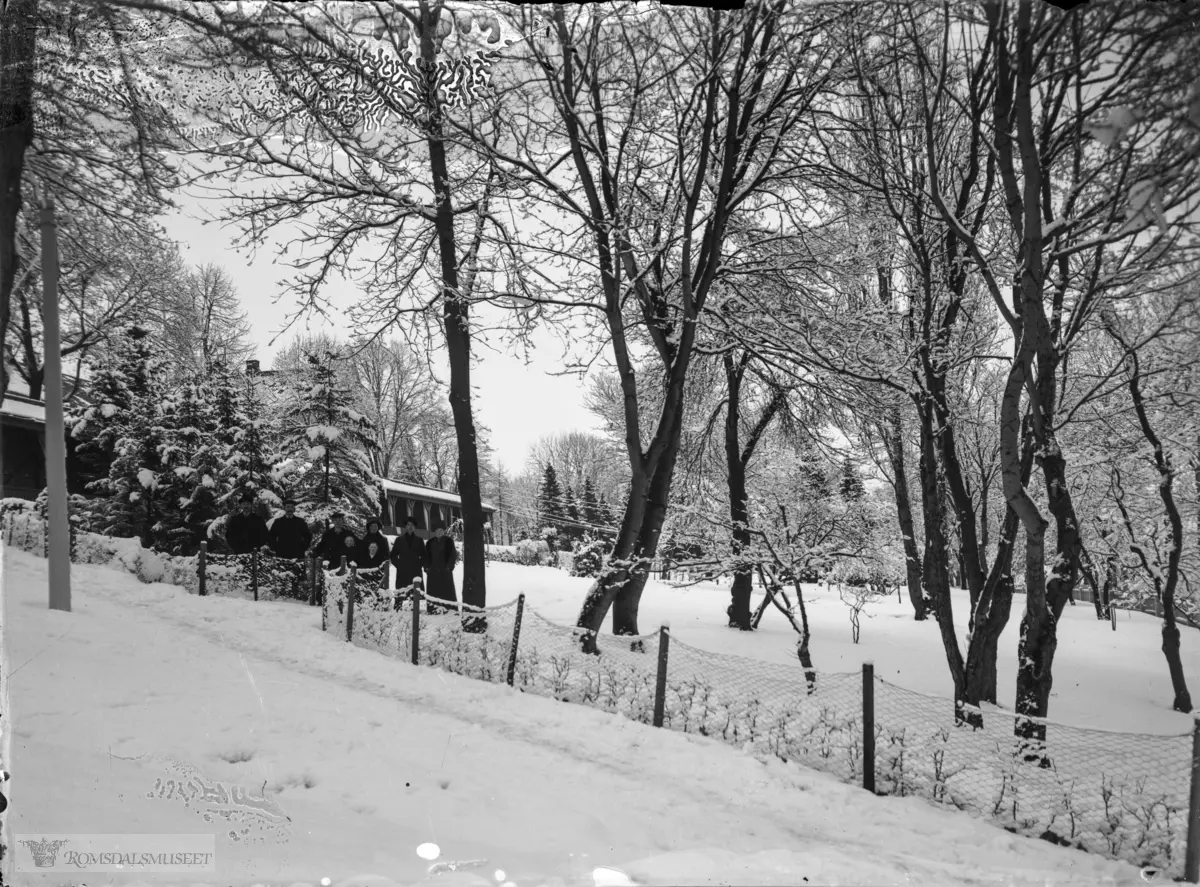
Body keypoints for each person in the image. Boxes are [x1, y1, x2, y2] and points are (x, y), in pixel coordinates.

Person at [422, 521, 459, 615]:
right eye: (437, 530)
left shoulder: (448, 541)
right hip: (433, 571)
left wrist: (449, 567)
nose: (439, 532)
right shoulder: (430, 542)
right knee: (434, 591)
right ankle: (433, 609)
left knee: (447, 591)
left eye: (441, 530)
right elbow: (426, 556)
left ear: (444, 531)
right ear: (434, 532)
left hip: (445, 570)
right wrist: (426, 567)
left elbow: (452, 555)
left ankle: (450, 609)